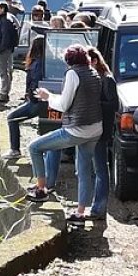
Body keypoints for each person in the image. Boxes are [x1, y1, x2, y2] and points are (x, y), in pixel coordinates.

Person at [27, 45, 102, 223]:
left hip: (76, 129)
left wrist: (48, 97)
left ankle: (41, 189)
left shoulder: (72, 74)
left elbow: (64, 105)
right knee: (84, 171)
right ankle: (81, 213)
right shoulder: (93, 73)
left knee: (35, 147)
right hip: (95, 129)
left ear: (68, 61)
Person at [2, 37, 49, 160]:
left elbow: (36, 81)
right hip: (43, 101)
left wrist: (31, 96)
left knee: (12, 118)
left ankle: (15, 149)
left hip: (36, 102)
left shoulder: (37, 63)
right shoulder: (47, 61)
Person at [87, 47, 119, 220]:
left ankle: (99, 208)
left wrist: (94, 104)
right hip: (94, 128)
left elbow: (114, 104)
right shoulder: (96, 78)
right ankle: (94, 205)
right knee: (93, 169)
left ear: (95, 61)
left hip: (101, 130)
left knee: (100, 169)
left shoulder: (107, 79)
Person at [0, 1, 19, 103]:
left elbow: (5, 37)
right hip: (0, 49)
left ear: (2, 9)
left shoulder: (5, 21)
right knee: (4, 72)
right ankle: (3, 92)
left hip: (1, 50)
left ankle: (4, 94)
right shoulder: (3, 19)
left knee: (3, 73)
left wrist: (0, 49)